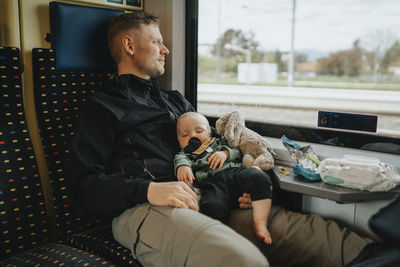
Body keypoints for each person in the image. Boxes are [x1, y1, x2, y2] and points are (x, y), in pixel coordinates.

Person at [69, 11, 378, 267]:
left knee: (327, 240)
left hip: (211, 193)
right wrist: (149, 190)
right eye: (157, 42)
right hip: (144, 208)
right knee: (241, 261)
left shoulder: (176, 102)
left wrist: (239, 179)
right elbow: (84, 187)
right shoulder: (102, 107)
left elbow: (211, 149)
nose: (166, 50)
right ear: (129, 45)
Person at [174, 112, 272, 244]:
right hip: (213, 184)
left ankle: (260, 223)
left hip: (234, 173)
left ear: (209, 133)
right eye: (185, 135)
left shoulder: (218, 142)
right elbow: (180, 159)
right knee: (210, 205)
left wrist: (224, 153)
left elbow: (237, 150)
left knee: (259, 177)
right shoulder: (185, 154)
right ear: (179, 141)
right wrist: (183, 167)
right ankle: (221, 238)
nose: (193, 136)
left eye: (199, 131)